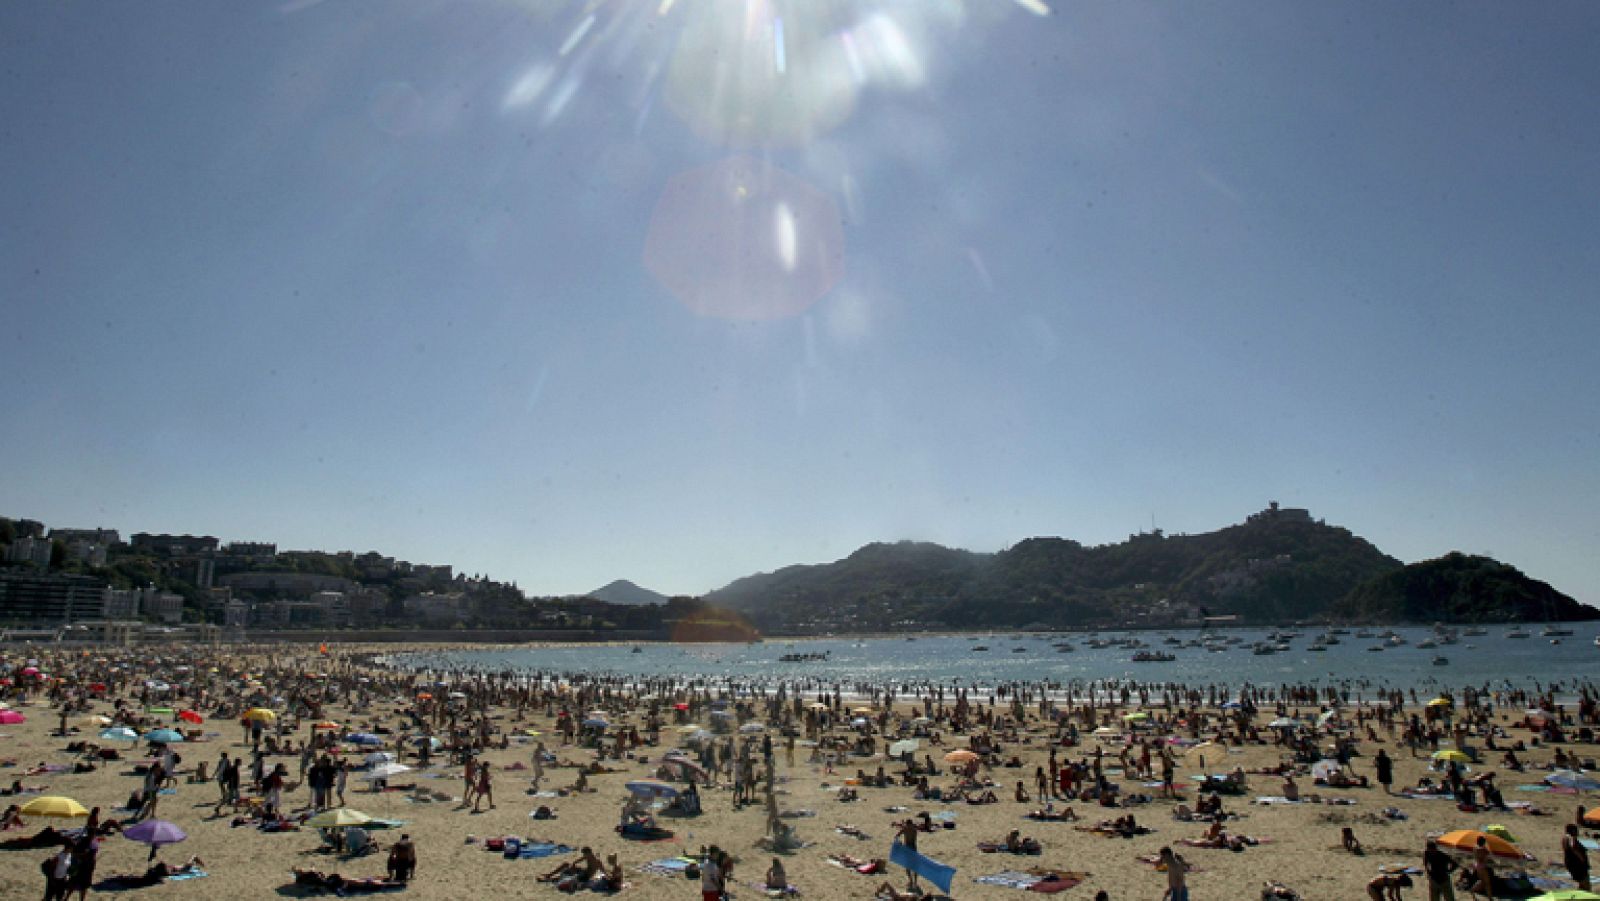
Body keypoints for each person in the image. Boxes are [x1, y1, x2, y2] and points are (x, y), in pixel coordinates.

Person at [1565, 823, 1591, 891]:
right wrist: (1582, 859)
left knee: (1581, 885)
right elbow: (1573, 847)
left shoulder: (1565, 838)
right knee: (1586, 885)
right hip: (1578, 865)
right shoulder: (1570, 837)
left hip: (1571, 864)